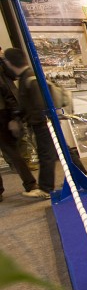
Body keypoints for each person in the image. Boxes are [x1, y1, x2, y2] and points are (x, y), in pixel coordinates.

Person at [3, 48, 86, 199]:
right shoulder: (27, 77)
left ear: (10, 62)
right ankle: (81, 174)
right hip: (44, 122)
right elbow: (27, 104)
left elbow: (38, 104)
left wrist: (33, 121)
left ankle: (46, 188)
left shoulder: (29, 78)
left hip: (43, 123)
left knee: (46, 154)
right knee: (61, 148)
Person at [0, 53, 39, 201]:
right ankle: (29, 184)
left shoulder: (2, 68)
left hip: (2, 114)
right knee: (13, 151)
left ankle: (30, 184)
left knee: (13, 151)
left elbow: (8, 91)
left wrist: (13, 117)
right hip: (4, 113)